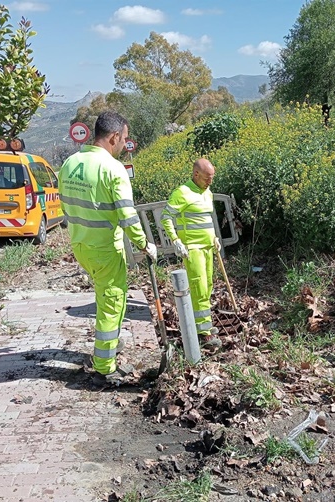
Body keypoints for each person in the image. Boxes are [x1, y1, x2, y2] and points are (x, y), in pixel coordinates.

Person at [58, 111, 157, 383]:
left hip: (81, 244)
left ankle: (110, 346)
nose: (126, 144)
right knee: (112, 302)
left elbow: (64, 206)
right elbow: (127, 215)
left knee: (110, 297)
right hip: (104, 248)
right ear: (114, 137)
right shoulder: (112, 169)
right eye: (124, 139)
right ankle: (104, 365)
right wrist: (145, 244)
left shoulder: (70, 163)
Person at [160, 158, 222, 349]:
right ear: (196, 174)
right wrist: (176, 240)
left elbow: (205, 220)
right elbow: (166, 217)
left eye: (212, 178)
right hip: (193, 249)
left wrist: (214, 238)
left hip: (208, 247)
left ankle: (205, 324)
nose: (209, 182)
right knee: (199, 287)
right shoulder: (182, 193)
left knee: (208, 284)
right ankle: (203, 333)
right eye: (206, 178)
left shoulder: (207, 192)